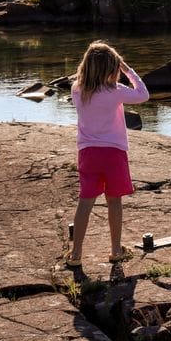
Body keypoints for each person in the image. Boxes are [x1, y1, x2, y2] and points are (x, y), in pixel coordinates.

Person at [67, 41, 149, 267]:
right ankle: (115, 250)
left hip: (88, 153)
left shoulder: (77, 89)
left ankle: (76, 254)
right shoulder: (115, 92)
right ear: (112, 69)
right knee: (114, 202)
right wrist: (128, 71)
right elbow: (143, 95)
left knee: (85, 202)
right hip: (113, 154)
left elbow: (84, 84)